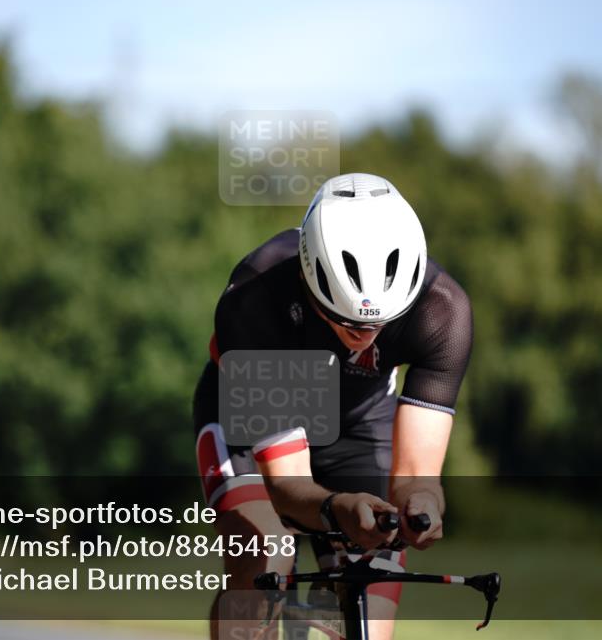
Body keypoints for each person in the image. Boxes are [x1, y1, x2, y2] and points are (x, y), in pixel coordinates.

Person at [193, 173, 473, 639]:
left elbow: (418, 477)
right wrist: (336, 508)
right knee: (266, 557)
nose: (362, 336)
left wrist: (420, 505)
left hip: (357, 428)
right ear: (308, 276)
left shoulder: (443, 311)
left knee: (370, 618)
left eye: (380, 324)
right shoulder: (256, 295)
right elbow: (287, 486)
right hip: (243, 423)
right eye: (343, 320)